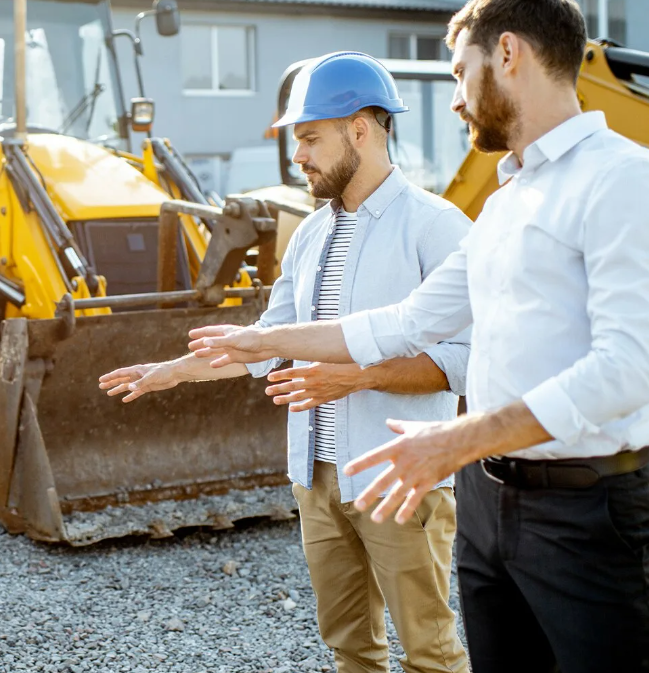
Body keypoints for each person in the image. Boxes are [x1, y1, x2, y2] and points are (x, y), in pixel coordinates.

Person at [186, 1, 649, 671]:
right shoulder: (504, 203)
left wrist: (457, 438)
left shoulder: (621, 178)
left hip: (589, 506)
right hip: (491, 502)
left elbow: (629, 366)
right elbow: (404, 322)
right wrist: (260, 342)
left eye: (461, 73)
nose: (456, 99)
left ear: (509, 54)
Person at [100, 52, 472, 673]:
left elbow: (462, 363)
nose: (297, 155)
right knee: (350, 648)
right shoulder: (309, 234)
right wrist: (173, 371)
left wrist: (359, 377)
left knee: (430, 652)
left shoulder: (437, 228)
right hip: (317, 478)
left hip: (399, 479)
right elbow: (266, 343)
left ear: (361, 128)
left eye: (308, 137)